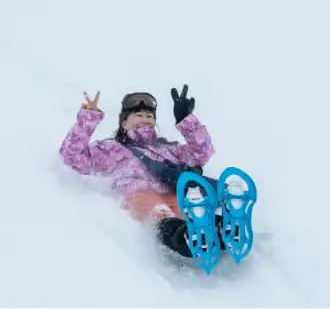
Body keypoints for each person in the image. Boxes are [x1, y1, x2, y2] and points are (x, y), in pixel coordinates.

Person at [59, 84, 221, 258]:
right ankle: (184, 237)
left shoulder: (168, 149)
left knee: (195, 210)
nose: (145, 118)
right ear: (124, 123)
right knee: (157, 210)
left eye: (149, 115)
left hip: (176, 197)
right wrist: (88, 118)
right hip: (142, 198)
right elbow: (72, 156)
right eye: (138, 115)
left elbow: (202, 153)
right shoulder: (110, 149)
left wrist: (186, 120)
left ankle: (222, 229)